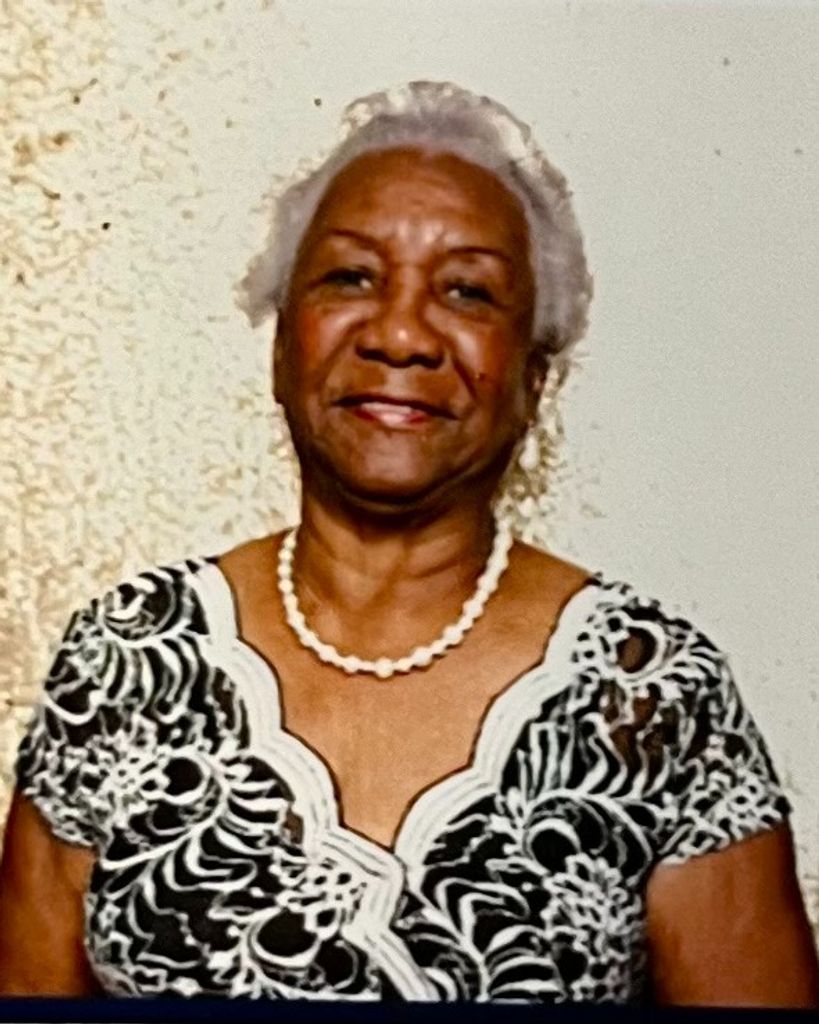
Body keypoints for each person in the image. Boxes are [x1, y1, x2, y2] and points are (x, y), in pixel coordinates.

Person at [0, 80, 817, 1005]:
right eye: (350, 277)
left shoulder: (653, 694)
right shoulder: (123, 661)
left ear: (534, 376)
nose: (398, 335)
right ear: (282, 346)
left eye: (467, 292)